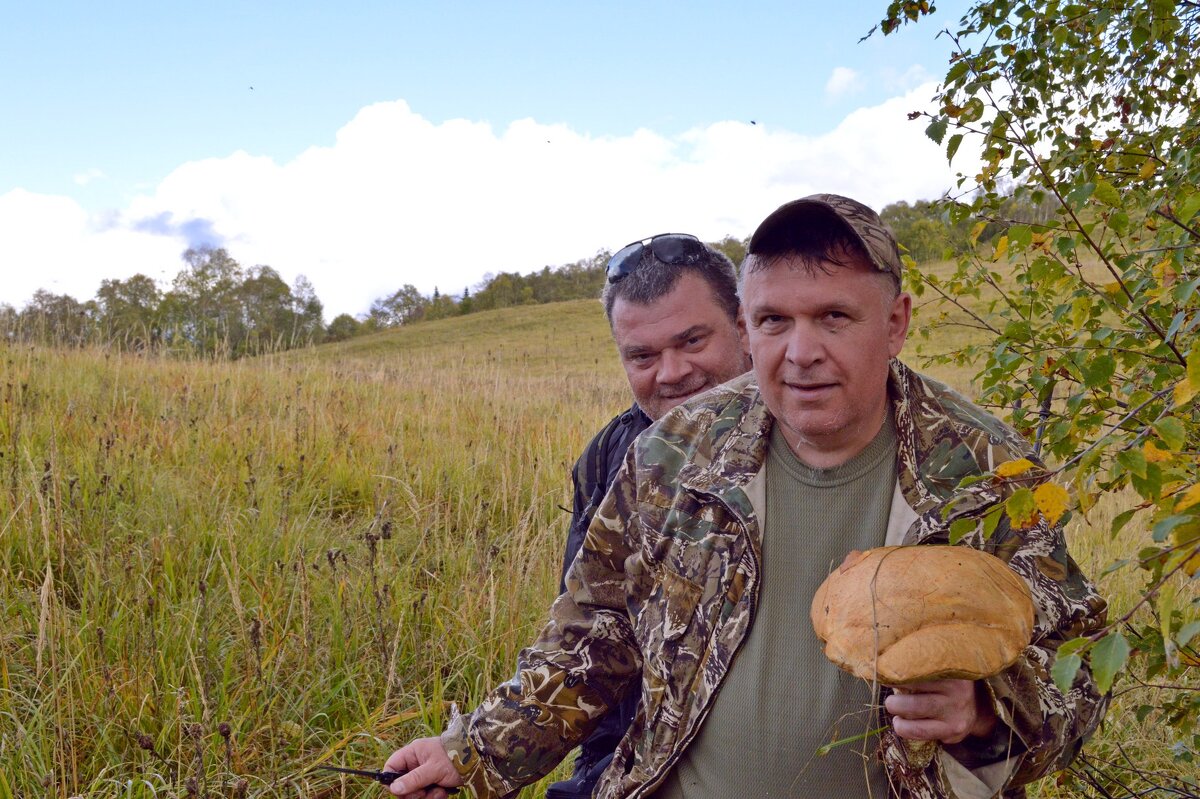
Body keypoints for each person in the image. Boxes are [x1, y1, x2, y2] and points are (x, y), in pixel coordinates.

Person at [384, 195, 1108, 799]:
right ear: (748, 326)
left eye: (833, 317)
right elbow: (589, 638)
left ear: (894, 324)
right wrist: (476, 754)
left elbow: (1083, 666)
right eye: (774, 321)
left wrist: (985, 712)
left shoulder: (986, 470)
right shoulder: (674, 452)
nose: (800, 351)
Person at [546, 234, 751, 799]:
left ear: (744, 323)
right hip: (638, 760)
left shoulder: (814, 430)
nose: (672, 372)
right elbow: (593, 638)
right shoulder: (613, 457)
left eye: (692, 340)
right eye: (643, 355)